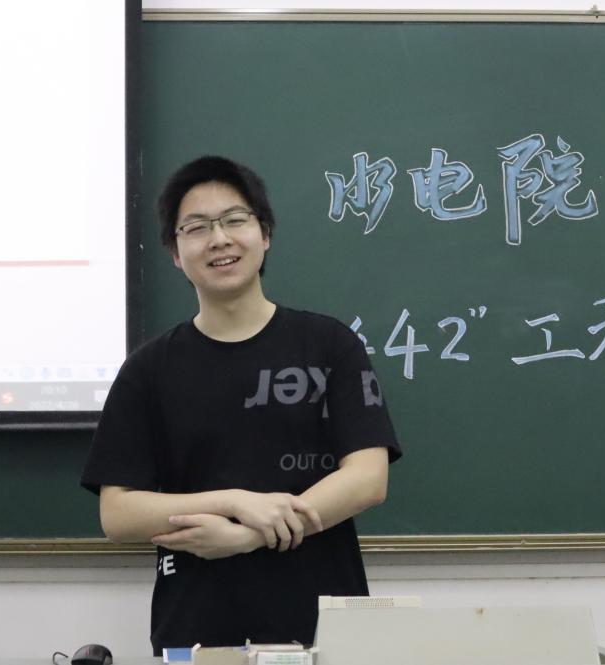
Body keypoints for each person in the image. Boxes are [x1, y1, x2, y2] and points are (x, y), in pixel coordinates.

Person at [81, 155, 401, 652]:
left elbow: (368, 478)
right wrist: (232, 502)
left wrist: (251, 535)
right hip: (196, 627)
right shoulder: (148, 370)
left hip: (324, 625)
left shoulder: (329, 345)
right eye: (197, 227)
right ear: (175, 253)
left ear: (265, 234)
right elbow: (118, 514)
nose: (219, 239)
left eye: (235, 220)